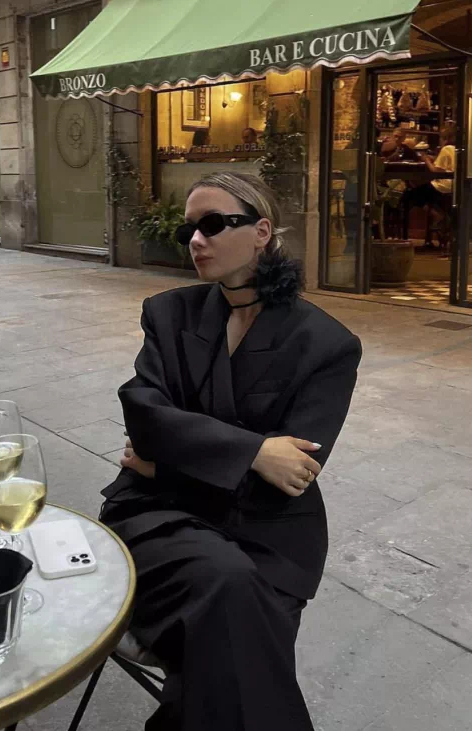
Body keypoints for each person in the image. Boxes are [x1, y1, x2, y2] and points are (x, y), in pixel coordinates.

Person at [99, 172, 362, 730]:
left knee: (230, 605)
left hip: (266, 533)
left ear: (262, 232)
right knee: (229, 586)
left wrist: (166, 462)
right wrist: (254, 451)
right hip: (157, 517)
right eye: (190, 229)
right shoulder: (168, 314)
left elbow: (293, 475)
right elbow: (143, 412)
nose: (196, 240)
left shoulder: (326, 345)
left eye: (214, 224)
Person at [400, 124, 456, 244]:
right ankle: (438, 218)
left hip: (442, 186)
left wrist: (426, 159)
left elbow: (436, 170)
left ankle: (436, 215)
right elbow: (446, 164)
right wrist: (433, 158)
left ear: (444, 138)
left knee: (410, 194)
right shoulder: (455, 149)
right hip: (454, 187)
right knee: (419, 190)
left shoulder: (446, 149)